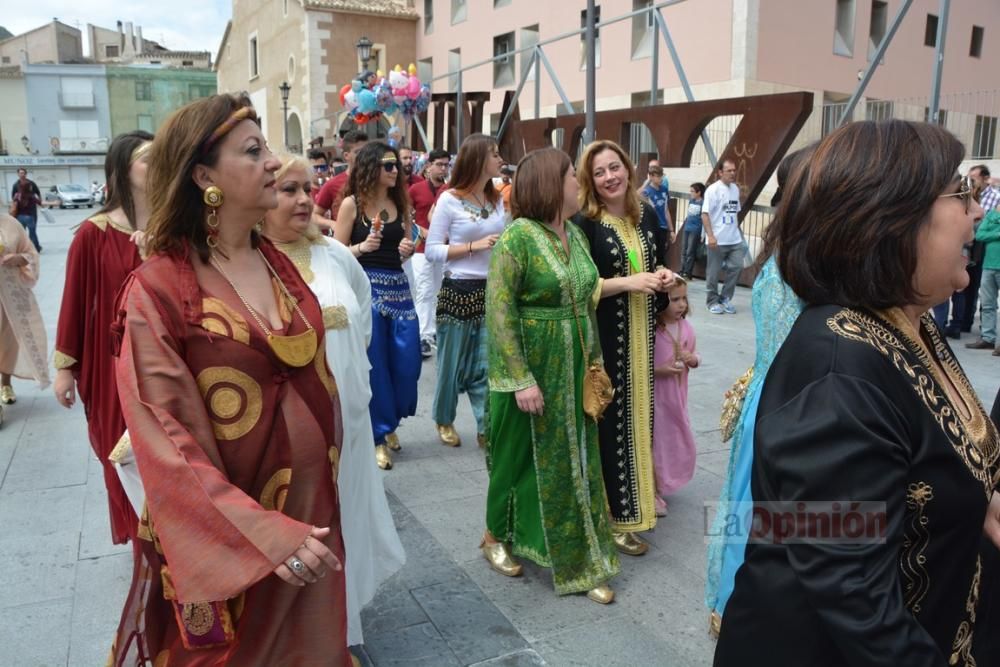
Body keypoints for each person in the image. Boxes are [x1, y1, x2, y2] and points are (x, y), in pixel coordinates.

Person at [715, 120, 1000, 666]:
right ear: (893, 217)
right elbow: (856, 599)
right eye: (960, 194)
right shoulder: (836, 373)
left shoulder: (907, 322)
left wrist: (975, 498)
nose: (977, 213)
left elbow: (927, 457)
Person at [109, 93, 350, 665]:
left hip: (311, 515)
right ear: (203, 177)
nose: (272, 161)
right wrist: (262, 533)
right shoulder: (160, 289)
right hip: (233, 535)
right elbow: (163, 438)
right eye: (253, 150)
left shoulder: (278, 261)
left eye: (266, 146)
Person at [261, 154, 405, 648]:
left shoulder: (335, 256)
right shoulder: (246, 261)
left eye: (308, 188)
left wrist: (349, 379)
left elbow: (361, 311)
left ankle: (340, 627)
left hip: (349, 417)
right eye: (288, 190)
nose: (304, 200)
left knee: (344, 512)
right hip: (286, 432)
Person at [483, 146, 620, 604]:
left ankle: (579, 555)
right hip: (534, 366)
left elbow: (585, 299)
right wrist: (520, 378)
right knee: (516, 458)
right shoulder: (518, 238)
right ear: (548, 185)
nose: (578, 183)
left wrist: (595, 366)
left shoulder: (575, 236)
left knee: (576, 459)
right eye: (570, 176)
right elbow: (499, 311)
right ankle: (493, 536)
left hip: (576, 365)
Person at [703, 147, 810, 637]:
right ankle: (742, 612)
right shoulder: (802, 261)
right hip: (784, 403)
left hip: (771, 397)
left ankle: (734, 608)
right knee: (758, 514)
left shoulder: (790, 248)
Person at [572, 139, 673, 557]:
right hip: (605, 343)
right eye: (600, 172)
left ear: (628, 170)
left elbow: (655, 263)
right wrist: (631, 282)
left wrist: (662, 276)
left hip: (641, 340)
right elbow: (579, 284)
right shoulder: (584, 223)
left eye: (615, 168)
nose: (610, 177)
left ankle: (635, 512)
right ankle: (611, 519)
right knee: (611, 429)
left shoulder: (646, 214)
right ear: (589, 182)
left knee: (639, 425)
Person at [53, 131, 153, 545]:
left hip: (167, 357)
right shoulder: (93, 234)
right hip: (111, 364)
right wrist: (65, 369)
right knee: (122, 452)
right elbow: (74, 303)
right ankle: (142, 545)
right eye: (148, 160)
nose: (159, 166)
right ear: (123, 171)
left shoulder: (175, 227)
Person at [334, 141, 418, 470]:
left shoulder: (401, 203)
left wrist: (408, 249)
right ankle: (378, 435)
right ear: (372, 168)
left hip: (399, 290)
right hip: (367, 292)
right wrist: (362, 247)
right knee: (377, 367)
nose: (395, 170)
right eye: (388, 165)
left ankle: (391, 420)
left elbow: (405, 245)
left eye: (396, 164)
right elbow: (337, 254)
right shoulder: (352, 206)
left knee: (407, 365)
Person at [425, 134, 505, 448]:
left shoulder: (497, 198)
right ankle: (444, 418)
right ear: (478, 159)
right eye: (494, 154)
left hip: (491, 289)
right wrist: (472, 246)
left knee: (486, 364)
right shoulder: (449, 199)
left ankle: (486, 426)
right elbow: (432, 250)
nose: (500, 160)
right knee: (450, 364)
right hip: (458, 289)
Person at [651, 277, 698, 516]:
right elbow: (643, 366)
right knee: (657, 443)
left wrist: (692, 359)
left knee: (676, 438)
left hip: (678, 399)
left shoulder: (686, 328)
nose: (681, 305)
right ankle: (653, 490)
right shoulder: (653, 331)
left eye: (684, 299)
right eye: (674, 299)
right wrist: (660, 371)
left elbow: (695, 358)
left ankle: (668, 480)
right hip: (658, 400)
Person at [0, 212, 48, 425]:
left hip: (11, 296)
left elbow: (30, 253)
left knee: (8, 343)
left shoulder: (10, 223)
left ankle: (5, 383)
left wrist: (18, 258)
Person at [409, 148, 450, 358]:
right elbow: (406, 217)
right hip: (420, 248)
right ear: (428, 165)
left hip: (443, 248)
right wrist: (420, 231)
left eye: (446, 165)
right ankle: (423, 334)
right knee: (424, 290)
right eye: (439, 164)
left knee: (440, 290)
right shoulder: (415, 189)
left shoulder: (450, 189)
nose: (443, 168)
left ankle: (434, 331)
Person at [702, 159, 744, 314]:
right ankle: (712, 301)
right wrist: (710, 236)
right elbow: (705, 214)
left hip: (734, 239)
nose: (733, 173)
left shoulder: (735, 189)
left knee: (737, 266)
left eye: (734, 170)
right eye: (729, 171)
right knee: (713, 272)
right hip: (717, 240)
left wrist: (738, 232)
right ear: (720, 172)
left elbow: (734, 212)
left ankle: (725, 297)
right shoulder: (713, 190)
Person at [314, 130, 368, 228]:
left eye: (367, 151)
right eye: (358, 152)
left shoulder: (377, 180)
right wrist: (332, 224)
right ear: (346, 156)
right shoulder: (332, 184)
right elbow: (314, 216)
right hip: (345, 242)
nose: (365, 155)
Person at [967, 206, 1000, 355]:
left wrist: (991, 233)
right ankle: (988, 338)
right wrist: (998, 233)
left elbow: (985, 234)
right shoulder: (992, 214)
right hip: (988, 266)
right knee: (987, 305)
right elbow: (980, 235)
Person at [10, 167, 42, 252]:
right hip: (22, 213)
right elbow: (13, 197)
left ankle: (32, 247)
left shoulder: (31, 183)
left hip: (31, 211)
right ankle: (34, 247)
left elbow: (38, 192)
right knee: (27, 231)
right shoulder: (15, 185)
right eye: (20, 173)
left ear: (26, 174)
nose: (22, 174)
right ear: (18, 174)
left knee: (31, 231)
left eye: (23, 173)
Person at [641, 164, 674, 241]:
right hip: (651, 228)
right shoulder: (646, 192)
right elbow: (635, 197)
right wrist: (646, 183)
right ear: (651, 177)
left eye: (661, 176)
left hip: (663, 227)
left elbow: (666, 210)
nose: (661, 179)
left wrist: (671, 230)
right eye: (658, 176)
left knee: (661, 252)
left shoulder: (664, 190)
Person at [679, 182, 705, 280]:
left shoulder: (703, 203)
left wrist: (703, 234)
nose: (691, 193)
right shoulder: (691, 201)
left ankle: (687, 272)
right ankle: (682, 269)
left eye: (693, 191)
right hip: (687, 228)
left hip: (695, 229)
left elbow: (704, 219)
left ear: (699, 192)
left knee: (690, 250)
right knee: (684, 249)